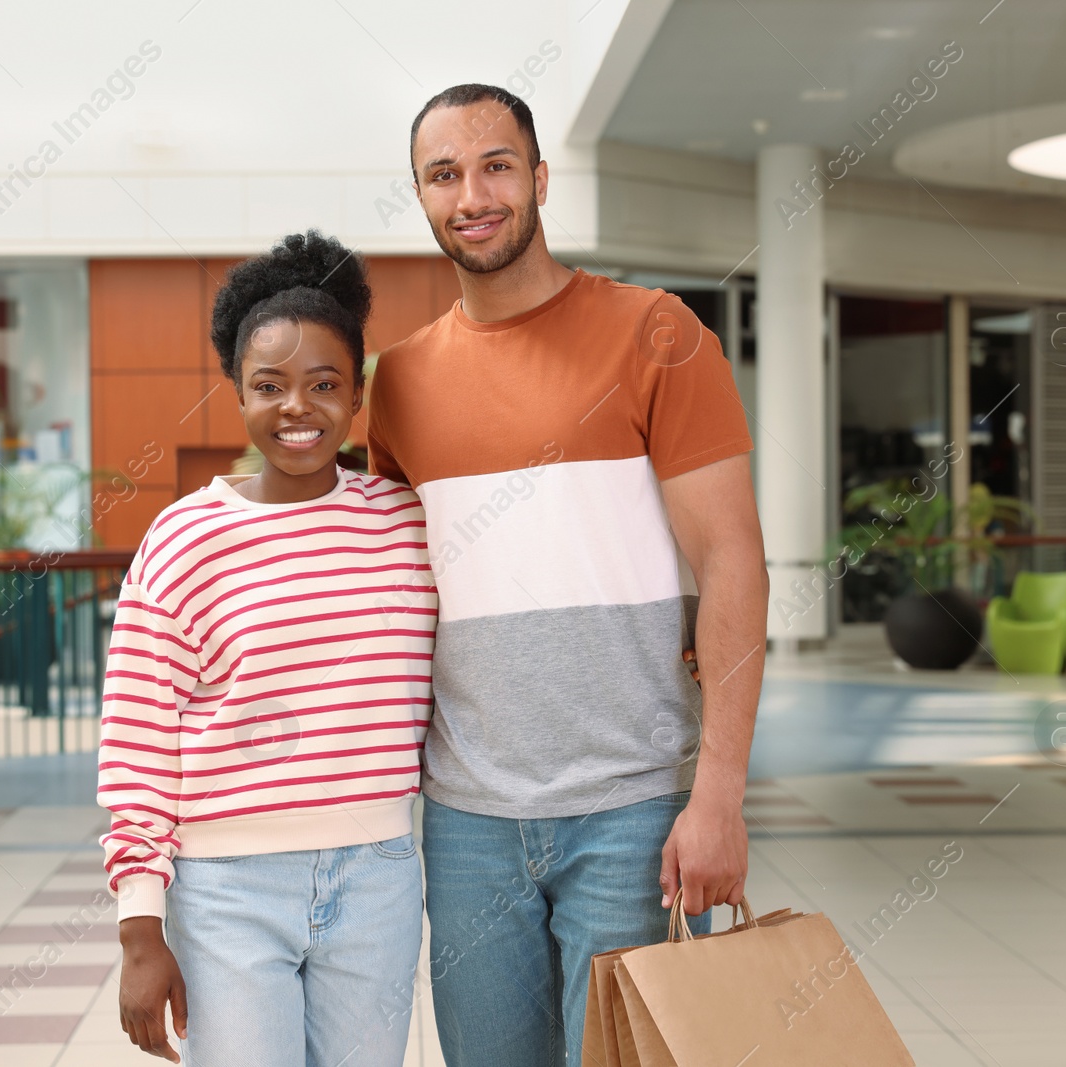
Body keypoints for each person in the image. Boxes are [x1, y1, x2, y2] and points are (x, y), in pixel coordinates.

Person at [366, 85, 768, 1066]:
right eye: (443, 174)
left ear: (539, 178)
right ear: (420, 197)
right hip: (465, 816)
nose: (473, 193)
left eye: (496, 164)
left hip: (632, 810)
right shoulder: (398, 384)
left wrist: (717, 791)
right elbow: (389, 589)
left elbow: (732, 559)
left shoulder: (656, 334)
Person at [97, 230, 437, 1066]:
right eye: (270, 385)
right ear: (237, 392)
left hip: (380, 876)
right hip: (228, 887)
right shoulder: (184, 538)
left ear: (356, 396)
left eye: (324, 384)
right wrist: (141, 928)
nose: (298, 407)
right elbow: (139, 733)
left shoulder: (405, 523)